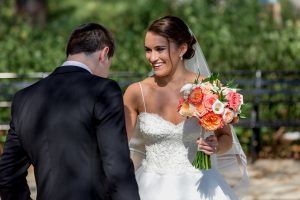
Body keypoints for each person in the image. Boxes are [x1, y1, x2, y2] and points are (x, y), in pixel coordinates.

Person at [0, 23, 140, 200]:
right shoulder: (104, 90)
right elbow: (117, 167)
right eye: (109, 65)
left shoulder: (24, 98)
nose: (107, 72)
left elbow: (7, 174)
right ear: (104, 54)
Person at [124, 16, 248, 200]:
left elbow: (226, 138)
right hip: (150, 188)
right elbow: (117, 146)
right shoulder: (136, 92)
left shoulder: (209, 87)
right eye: (148, 50)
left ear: (182, 49)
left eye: (160, 49)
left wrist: (215, 146)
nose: (152, 57)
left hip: (203, 186)